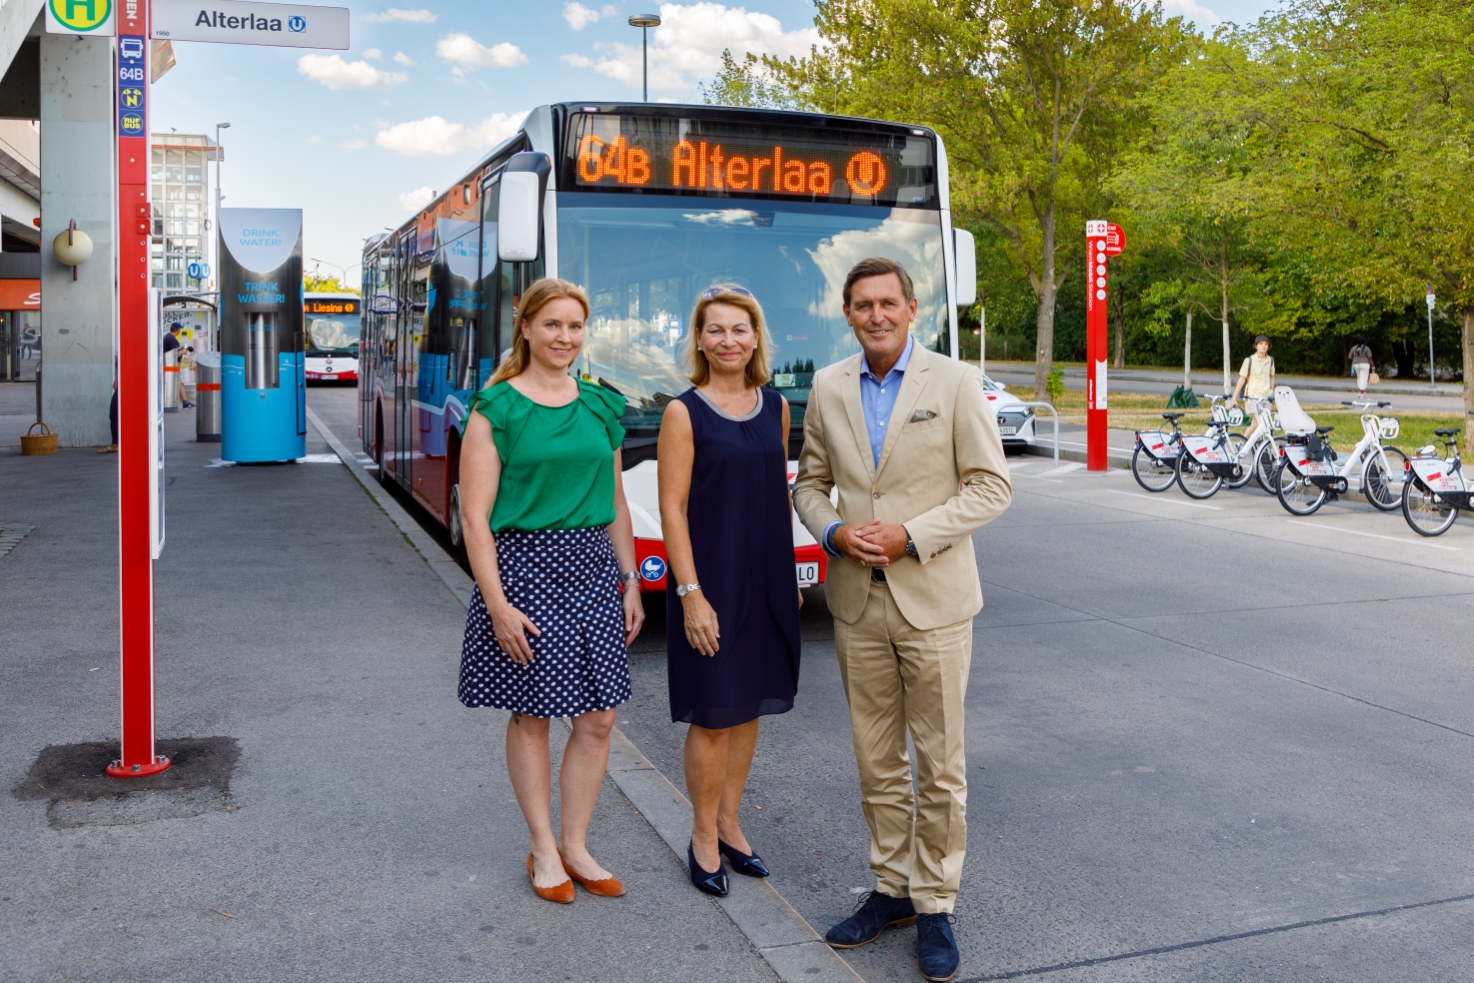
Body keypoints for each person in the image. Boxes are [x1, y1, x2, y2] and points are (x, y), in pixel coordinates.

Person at [793, 257, 1012, 983]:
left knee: (940, 763)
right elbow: (812, 484)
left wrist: (911, 534)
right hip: (856, 600)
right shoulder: (828, 385)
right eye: (863, 305)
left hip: (935, 599)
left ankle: (937, 900)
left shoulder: (953, 381)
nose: (877, 315)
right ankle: (891, 891)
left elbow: (990, 487)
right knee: (876, 758)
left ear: (912, 309)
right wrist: (832, 533)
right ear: (848, 313)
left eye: (889, 303)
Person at [456, 277, 645, 904]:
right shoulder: (496, 410)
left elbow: (616, 500)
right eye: (554, 325)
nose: (566, 337)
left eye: (575, 326)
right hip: (523, 572)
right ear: (527, 327)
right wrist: (497, 603)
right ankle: (542, 847)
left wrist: (630, 583)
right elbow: (475, 518)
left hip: (594, 570)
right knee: (533, 714)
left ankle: (576, 843)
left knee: (599, 716)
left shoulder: (600, 405)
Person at [657, 285, 801, 898]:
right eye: (715, 330)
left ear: (756, 338)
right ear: (698, 340)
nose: (728, 340)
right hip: (710, 581)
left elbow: (780, 499)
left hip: (767, 576)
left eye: (740, 329)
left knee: (749, 708)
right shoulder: (682, 413)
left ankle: (731, 821)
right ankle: (702, 835)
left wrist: (792, 574)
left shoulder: (777, 407)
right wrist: (690, 593)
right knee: (715, 714)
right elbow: (672, 508)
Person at [1229, 335, 1276, 441]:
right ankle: (1265, 449)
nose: (1263, 346)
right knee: (1263, 425)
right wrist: (1234, 398)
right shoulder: (1249, 360)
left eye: (1266, 344)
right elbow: (1242, 379)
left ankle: (1241, 444)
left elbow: (1272, 375)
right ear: (1256, 346)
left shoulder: (1271, 360)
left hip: (1266, 397)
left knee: (1255, 425)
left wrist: (1271, 390)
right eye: (1261, 344)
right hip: (1253, 397)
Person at [163, 324, 195, 408]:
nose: (179, 331)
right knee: (180, 383)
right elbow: (174, 353)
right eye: (179, 329)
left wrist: (184, 349)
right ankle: (184, 402)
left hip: (170, 365)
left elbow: (172, 351)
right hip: (172, 365)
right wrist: (183, 351)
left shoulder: (168, 337)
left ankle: (184, 402)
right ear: (177, 330)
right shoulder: (171, 339)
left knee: (180, 383)